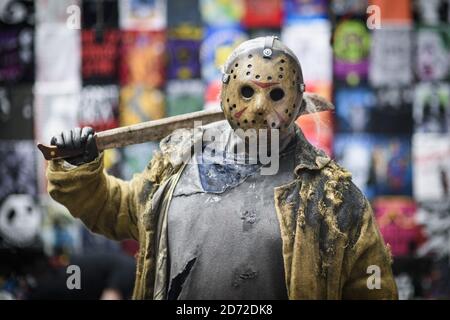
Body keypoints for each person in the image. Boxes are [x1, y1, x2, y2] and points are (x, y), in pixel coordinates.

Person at [47, 37, 398, 299]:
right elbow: (117, 208)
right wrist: (80, 169)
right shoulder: (178, 161)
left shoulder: (333, 198)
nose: (260, 107)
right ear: (224, 91)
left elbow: (372, 291)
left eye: (276, 94)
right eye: (247, 91)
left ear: (298, 98)